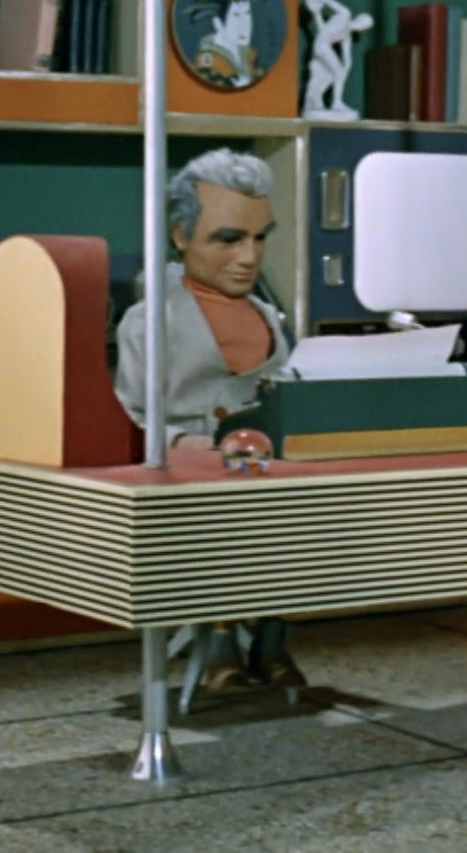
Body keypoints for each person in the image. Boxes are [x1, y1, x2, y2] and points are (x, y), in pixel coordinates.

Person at [113, 148, 305, 693]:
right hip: (189, 487)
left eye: (259, 237)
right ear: (181, 235)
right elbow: (128, 417)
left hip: (262, 478)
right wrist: (184, 442)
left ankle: (272, 637)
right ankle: (219, 640)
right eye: (228, 239)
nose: (249, 256)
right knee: (225, 528)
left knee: (304, 520)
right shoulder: (149, 321)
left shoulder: (268, 315)